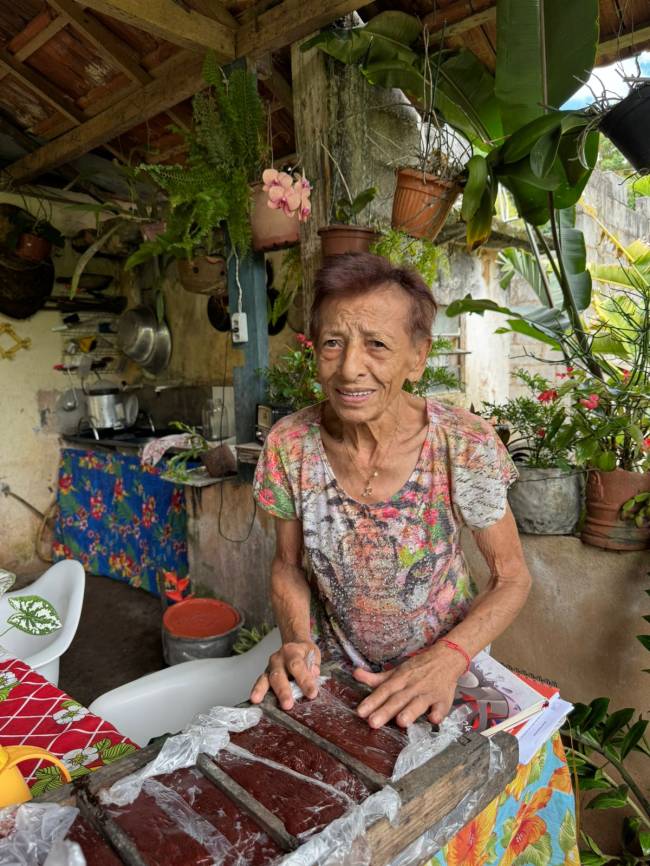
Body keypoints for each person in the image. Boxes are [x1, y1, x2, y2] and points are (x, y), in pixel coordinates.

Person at [250, 252, 532, 730]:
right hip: (336, 674)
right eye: (333, 343)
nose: (349, 368)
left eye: (377, 344)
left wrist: (449, 658)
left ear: (417, 357)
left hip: (445, 669)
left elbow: (511, 578)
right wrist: (297, 641)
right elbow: (287, 565)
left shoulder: (463, 443)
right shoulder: (289, 444)